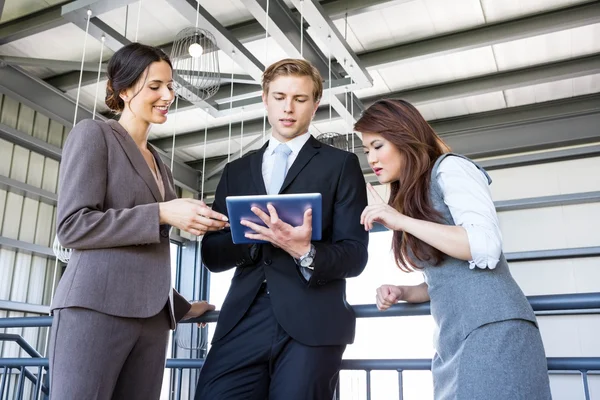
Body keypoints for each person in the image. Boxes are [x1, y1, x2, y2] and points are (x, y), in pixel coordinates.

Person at [48, 43, 226, 399]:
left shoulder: (160, 162)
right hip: (94, 309)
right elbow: (73, 225)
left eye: (170, 86)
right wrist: (162, 213)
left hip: (153, 321)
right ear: (125, 89)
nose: (168, 95)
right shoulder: (94, 135)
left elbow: (147, 248)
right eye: (155, 86)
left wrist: (183, 307)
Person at [195, 58, 369, 400]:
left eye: (300, 99)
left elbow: (355, 254)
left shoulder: (341, 165)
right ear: (265, 98)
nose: (288, 108)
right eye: (279, 97)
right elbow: (212, 255)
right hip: (242, 319)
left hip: (312, 322)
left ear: (316, 105)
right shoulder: (236, 171)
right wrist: (254, 238)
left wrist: (305, 251)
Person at [355, 99, 552, 400]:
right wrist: (404, 292)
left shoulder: (451, 168)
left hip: (494, 329)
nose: (371, 157)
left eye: (377, 145)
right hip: (453, 340)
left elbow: (484, 246)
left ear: (403, 136)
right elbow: (448, 276)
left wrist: (402, 220)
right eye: (366, 150)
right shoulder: (414, 198)